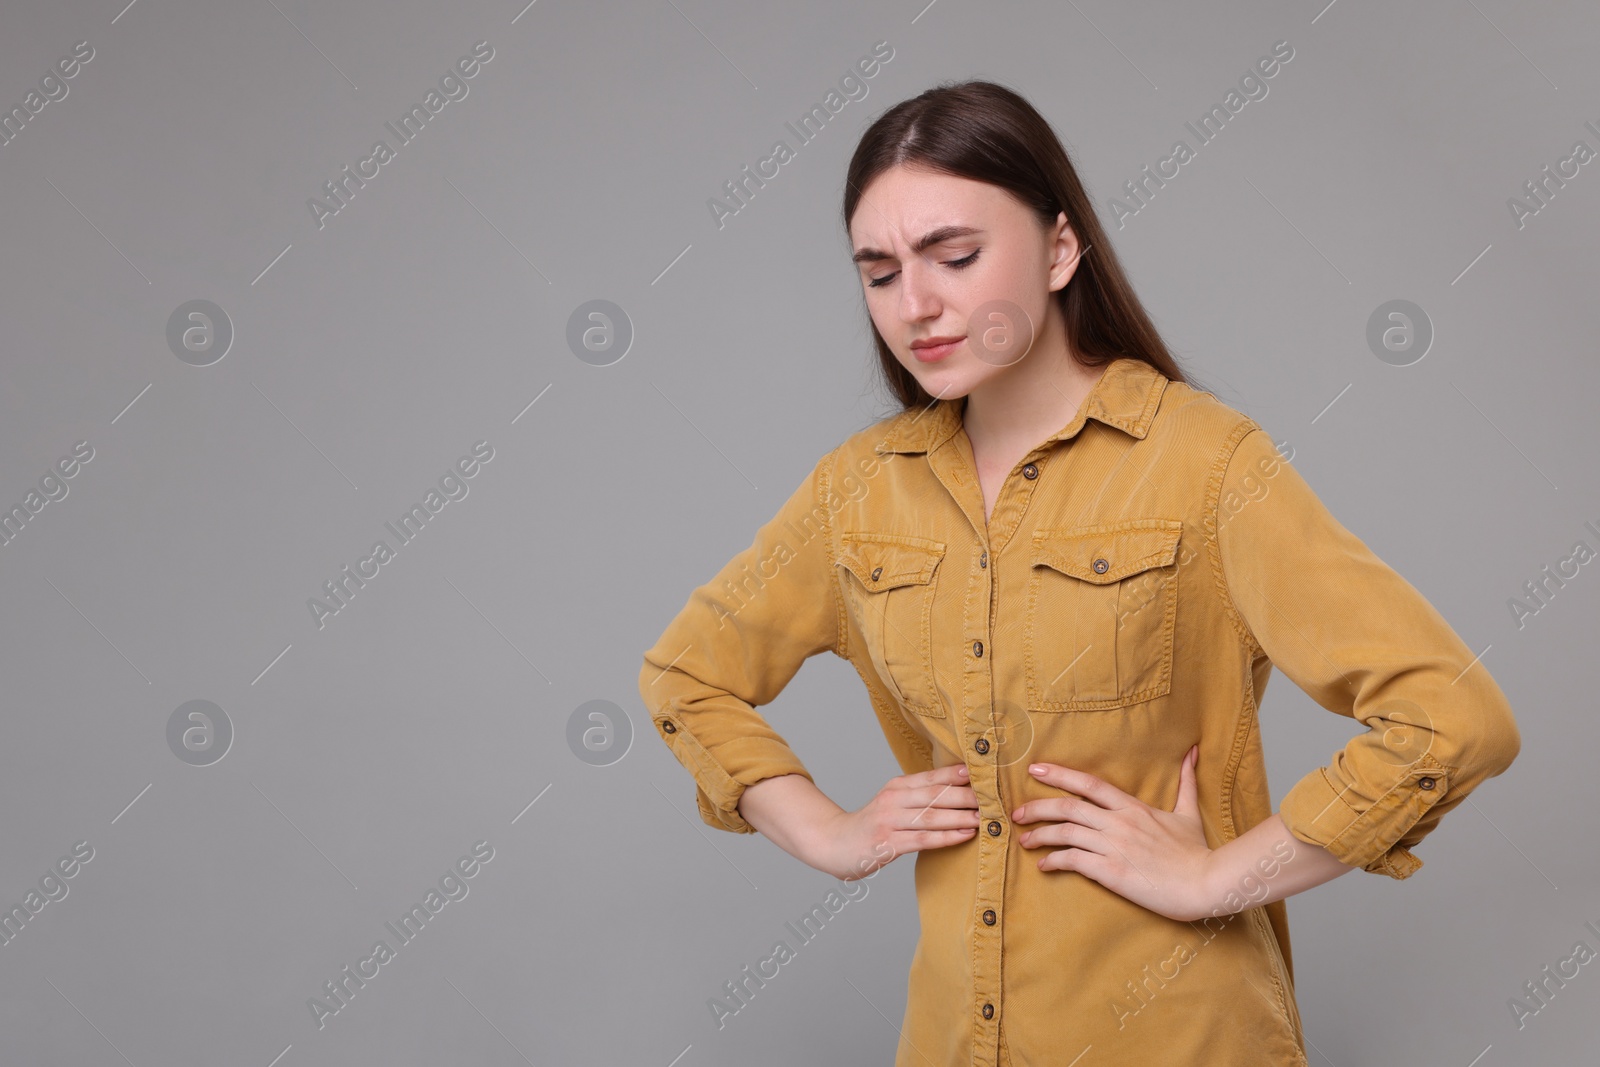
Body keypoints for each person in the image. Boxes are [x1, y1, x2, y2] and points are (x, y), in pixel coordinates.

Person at [637, 80, 1521, 1066]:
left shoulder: (1206, 463)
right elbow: (686, 674)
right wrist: (826, 832)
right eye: (879, 272)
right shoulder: (860, 489)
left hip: (1180, 1036)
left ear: (1060, 249)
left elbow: (1454, 718)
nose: (915, 303)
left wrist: (1220, 876)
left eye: (955, 256)